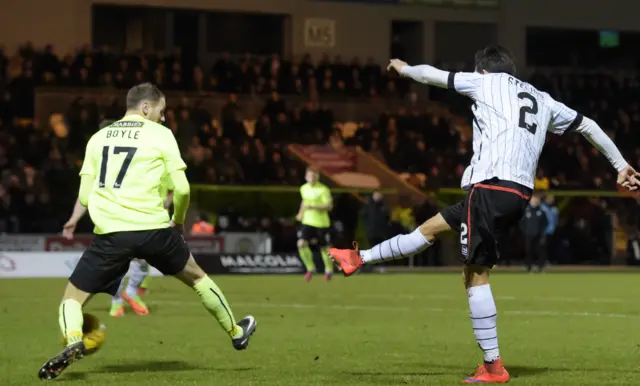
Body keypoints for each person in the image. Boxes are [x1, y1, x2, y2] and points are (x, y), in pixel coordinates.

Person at [329, 45, 640, 384]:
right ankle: (358, 259)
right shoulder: (543, 98)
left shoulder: (485, 83)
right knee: (430, 229)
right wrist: (621, 165)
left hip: (490, 186)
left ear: (482, 70)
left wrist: (404, 69)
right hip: (518, 192)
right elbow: (589, 125)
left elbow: (434, 76)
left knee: (474, 273)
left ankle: (493, 367)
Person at [39, 83, 256, 380]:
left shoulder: (98, 138)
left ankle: (75, 340)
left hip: (112, 234)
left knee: (72, 299)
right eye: (161, 111)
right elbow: (181, 187)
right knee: (197, 278)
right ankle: (236, 331)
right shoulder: (161, 135)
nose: (164, 118)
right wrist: (178, 220)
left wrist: (75, 218)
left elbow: (86, 195)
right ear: (145, 108)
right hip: (155, 230)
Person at [61, 120, 174, 317]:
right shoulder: (102, 159)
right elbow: (85, 194)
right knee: (124, 260)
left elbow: (169, 190)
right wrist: (74, 219)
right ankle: (118, 300)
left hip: (134, 217)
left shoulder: (129, 158)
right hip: (114, 218)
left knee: (142, 258)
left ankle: (126, 295)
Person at [295, 167, 334, 281]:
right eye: (310, 176)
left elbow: (329, 206)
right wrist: (300, 213)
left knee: (324, 248)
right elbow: (304, 201)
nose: (312, 178)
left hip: (322, 223)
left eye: (314, 176)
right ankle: (310, 268)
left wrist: (313, 207)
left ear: (318, 177)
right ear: (306, 177)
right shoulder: (303, 188)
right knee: (301, 243)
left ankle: (328, 270)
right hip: (307, 221)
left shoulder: (323, 189)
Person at [520, 193, 548, 272]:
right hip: (528, 234)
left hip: (538, 234)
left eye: (537, 199)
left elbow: (545, 223)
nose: (535, 201)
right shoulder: (526, 210)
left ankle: (540, 266)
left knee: (539, 250)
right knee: (529, 250)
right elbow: (521, 222)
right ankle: (528, 266)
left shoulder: (541, 211)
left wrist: (542, 232)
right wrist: (524, 231)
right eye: (534, 199)